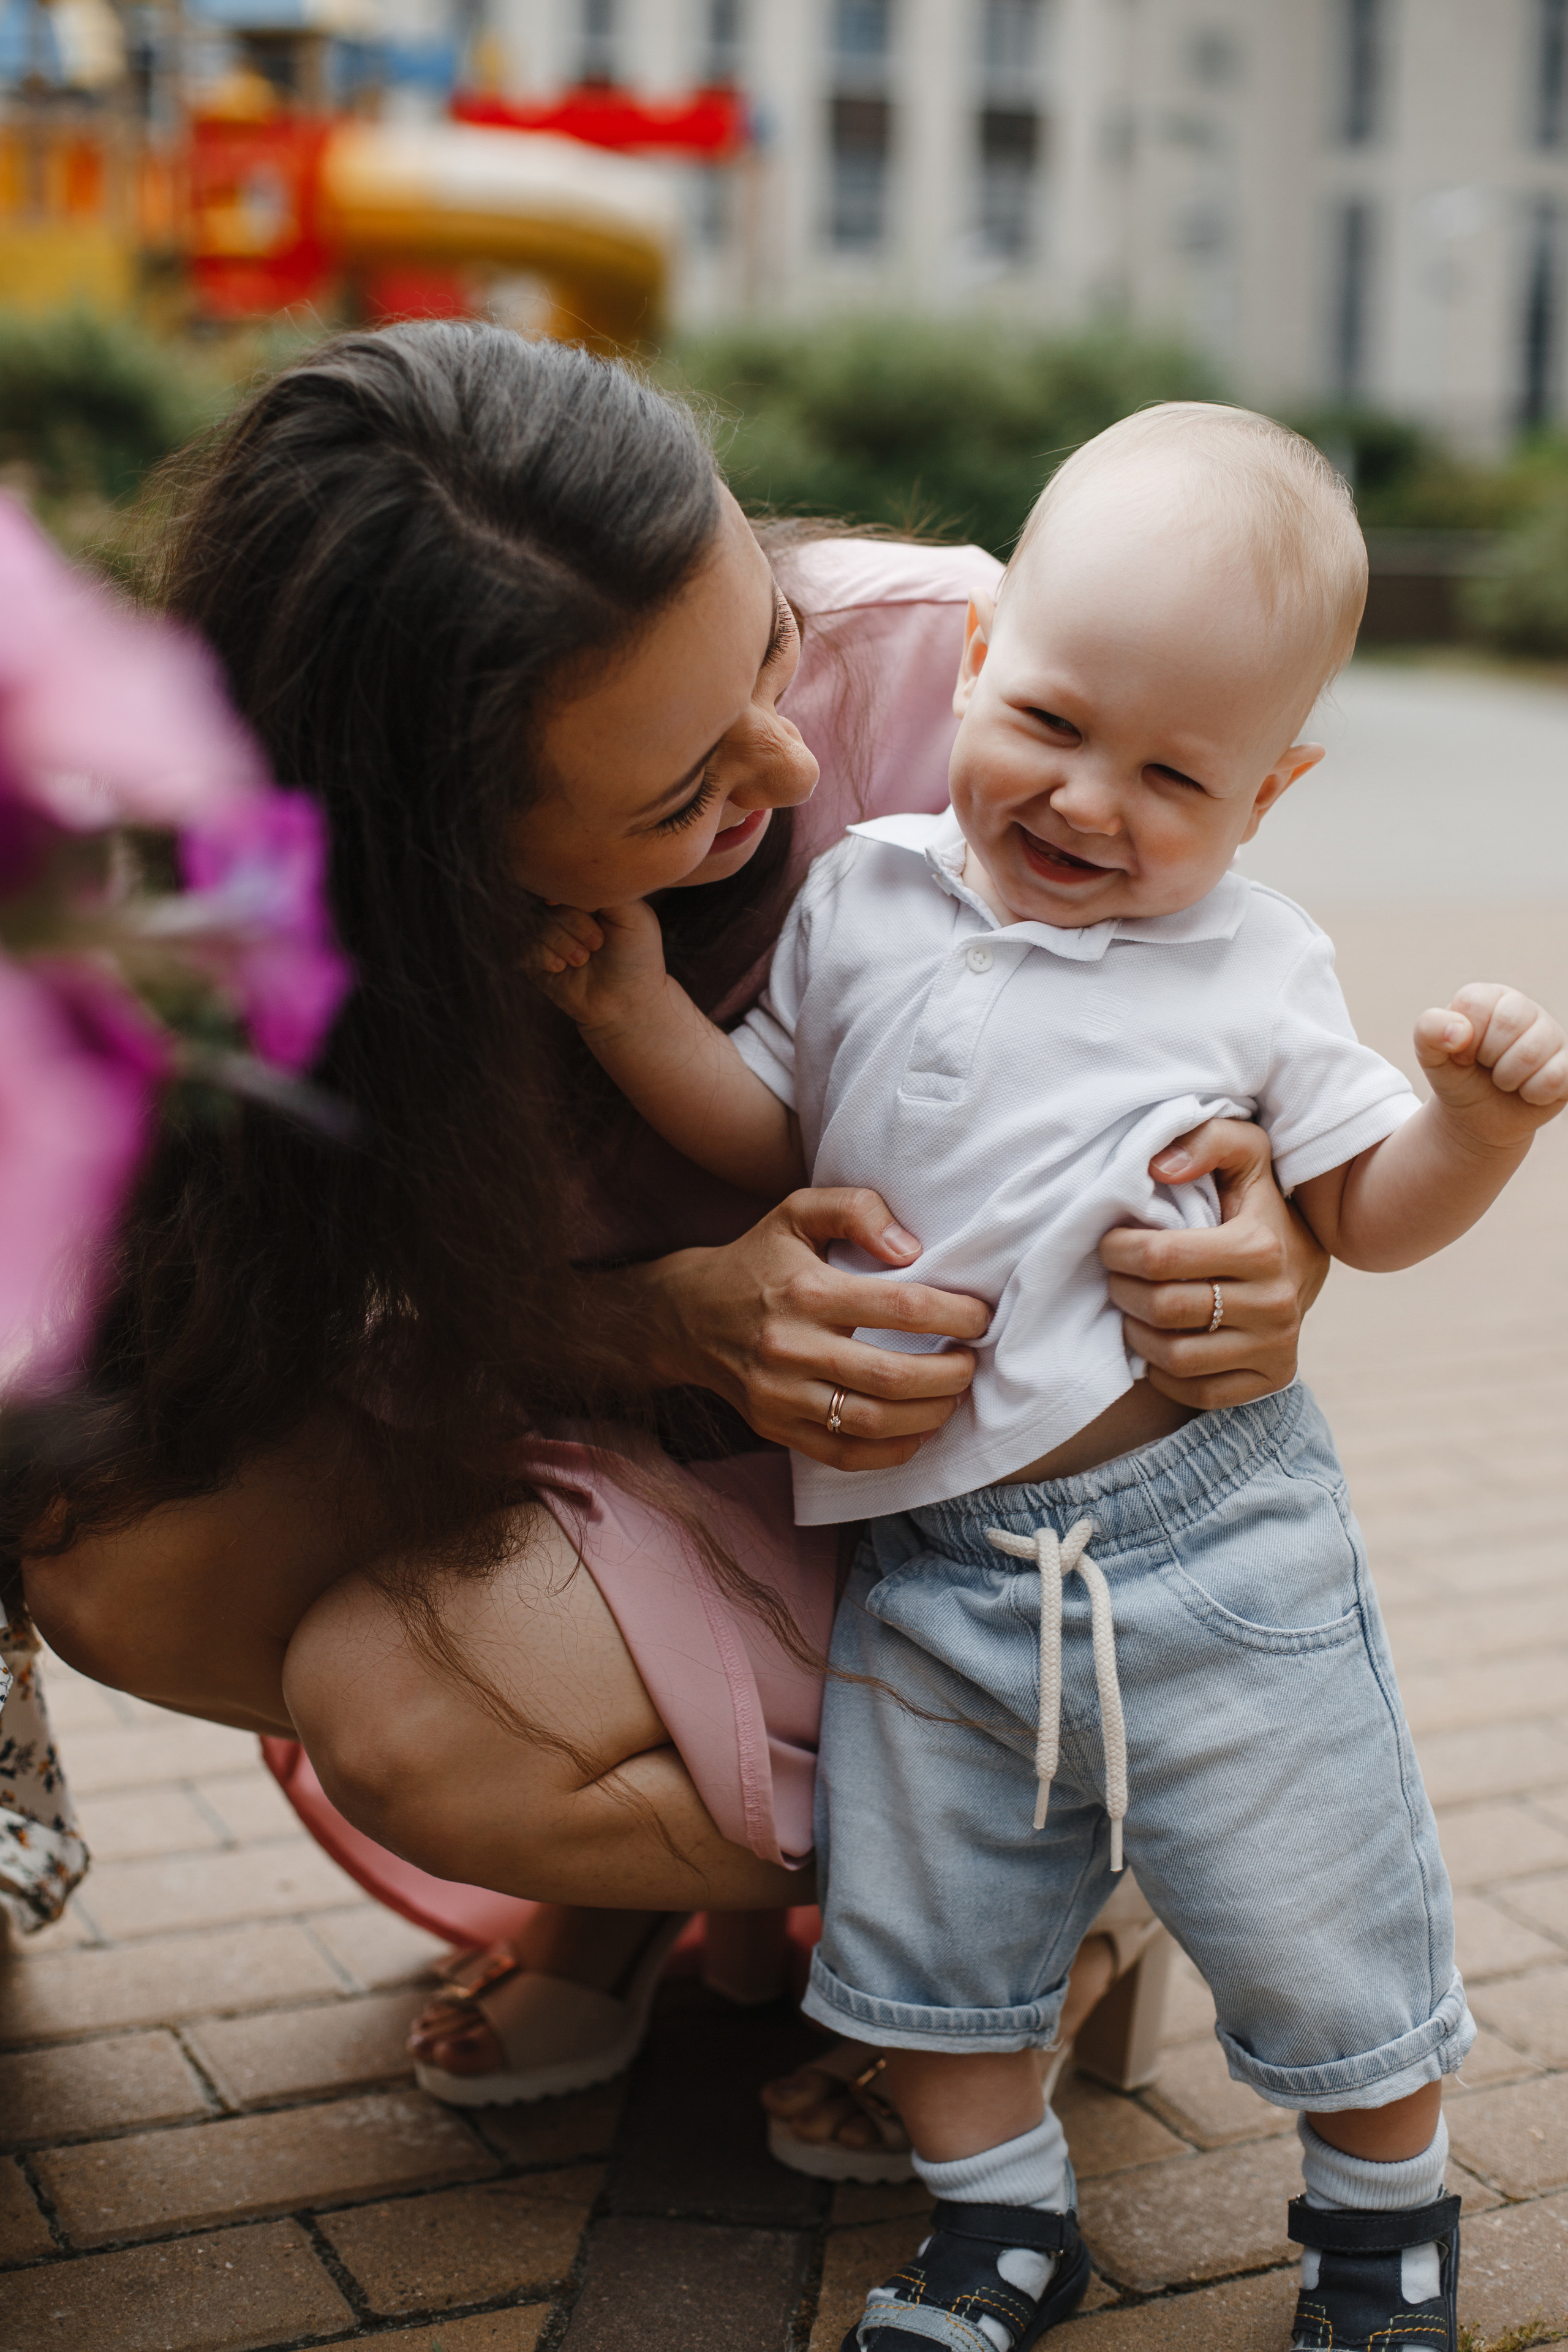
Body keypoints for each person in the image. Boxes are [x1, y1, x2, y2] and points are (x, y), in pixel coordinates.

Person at [15, 330, 1324, 2166]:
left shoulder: (957, 663)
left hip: (936, 1493)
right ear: (433, 856)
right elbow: (259, 1320)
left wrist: (1275, 1216)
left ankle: (1054, 1874)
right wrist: (668, 1324)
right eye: (680, 792)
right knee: (118, 1554)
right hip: (609, 1416)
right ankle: (633, 1870)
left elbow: (1229, 999)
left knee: (417, 1723)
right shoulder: (261, 926)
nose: (790, 762)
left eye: (763, 651)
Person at [531, 402, 1568, 2352]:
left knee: (1313, 1896)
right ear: (983, 667)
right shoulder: (865, 901)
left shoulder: (1255, 964)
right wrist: (632, 1003)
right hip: (924, 1566)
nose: (1094, 801)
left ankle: (1382, 2232)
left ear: (1271, 797)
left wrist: (1477, 1136)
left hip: (1205, 1540)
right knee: (929, 1943)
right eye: (1060, 724)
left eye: (1176, 775)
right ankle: (998, 2226)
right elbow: (767, 1137)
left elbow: (1363, 1207)